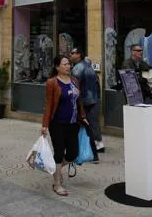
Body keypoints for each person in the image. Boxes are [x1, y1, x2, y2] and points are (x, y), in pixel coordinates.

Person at [41, 55, 88, 197]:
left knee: (73, 153)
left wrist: (83, 117)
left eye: (68, 64)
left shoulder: (74, 81)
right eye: (65, 64)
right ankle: (57, 184)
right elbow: (48, 104)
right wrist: (45, 125)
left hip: (73, 123)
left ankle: (56, 169)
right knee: (59, 152)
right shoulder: (52, 82)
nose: (68, 66)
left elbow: (79, 101)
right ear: (57, 67)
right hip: (57, 124)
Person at [70, 47, 103, 156]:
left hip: (83, 100)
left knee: (81, 123)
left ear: (78, 55)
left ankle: (85, 147)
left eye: (72, 53)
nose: (70, 55)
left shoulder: (77, 69)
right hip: (93, 98)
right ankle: (99, 143)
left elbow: (74, 86)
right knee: (93, 122)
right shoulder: (88, 66)